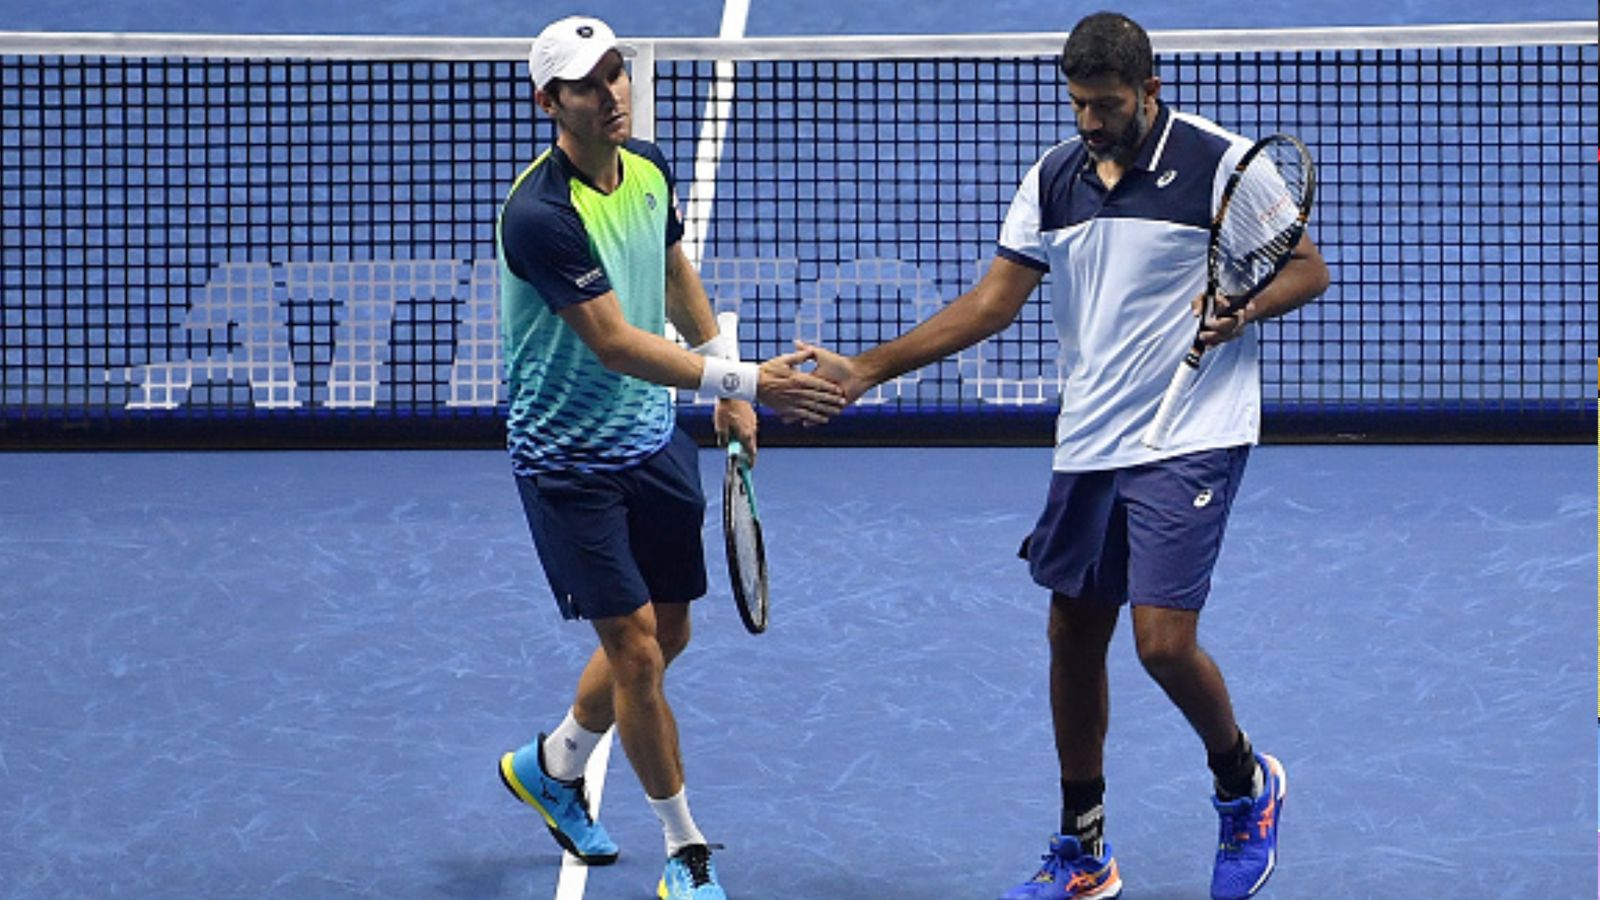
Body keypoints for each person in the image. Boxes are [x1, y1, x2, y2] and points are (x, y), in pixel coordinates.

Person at [803, 12, 1329, 900]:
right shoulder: (1053, 178)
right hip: (1091, 437)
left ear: (1149, 91)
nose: (1089, 122)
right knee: (1073, 636)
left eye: (1106, 105)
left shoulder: (1228, 167)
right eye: (1079, 104)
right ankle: (1084, 851)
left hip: (1191, 431)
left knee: (1162, 645)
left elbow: (1306, 268)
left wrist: (1245, 309)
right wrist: (866, 369)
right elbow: (989, 304)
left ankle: (1245, 786)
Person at [494, 15, 846, 900]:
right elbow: (612, 341)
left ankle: (554, 763)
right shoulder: (540, 216)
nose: (613, 91)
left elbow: (673, 267)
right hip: (569, 464)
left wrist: (723, 373)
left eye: (617, 73)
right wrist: (747, 379)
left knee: (670, 629)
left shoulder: (645, 165)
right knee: (638, 654)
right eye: (588, 83)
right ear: (551, 102)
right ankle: (685, 853)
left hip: (653, 441)